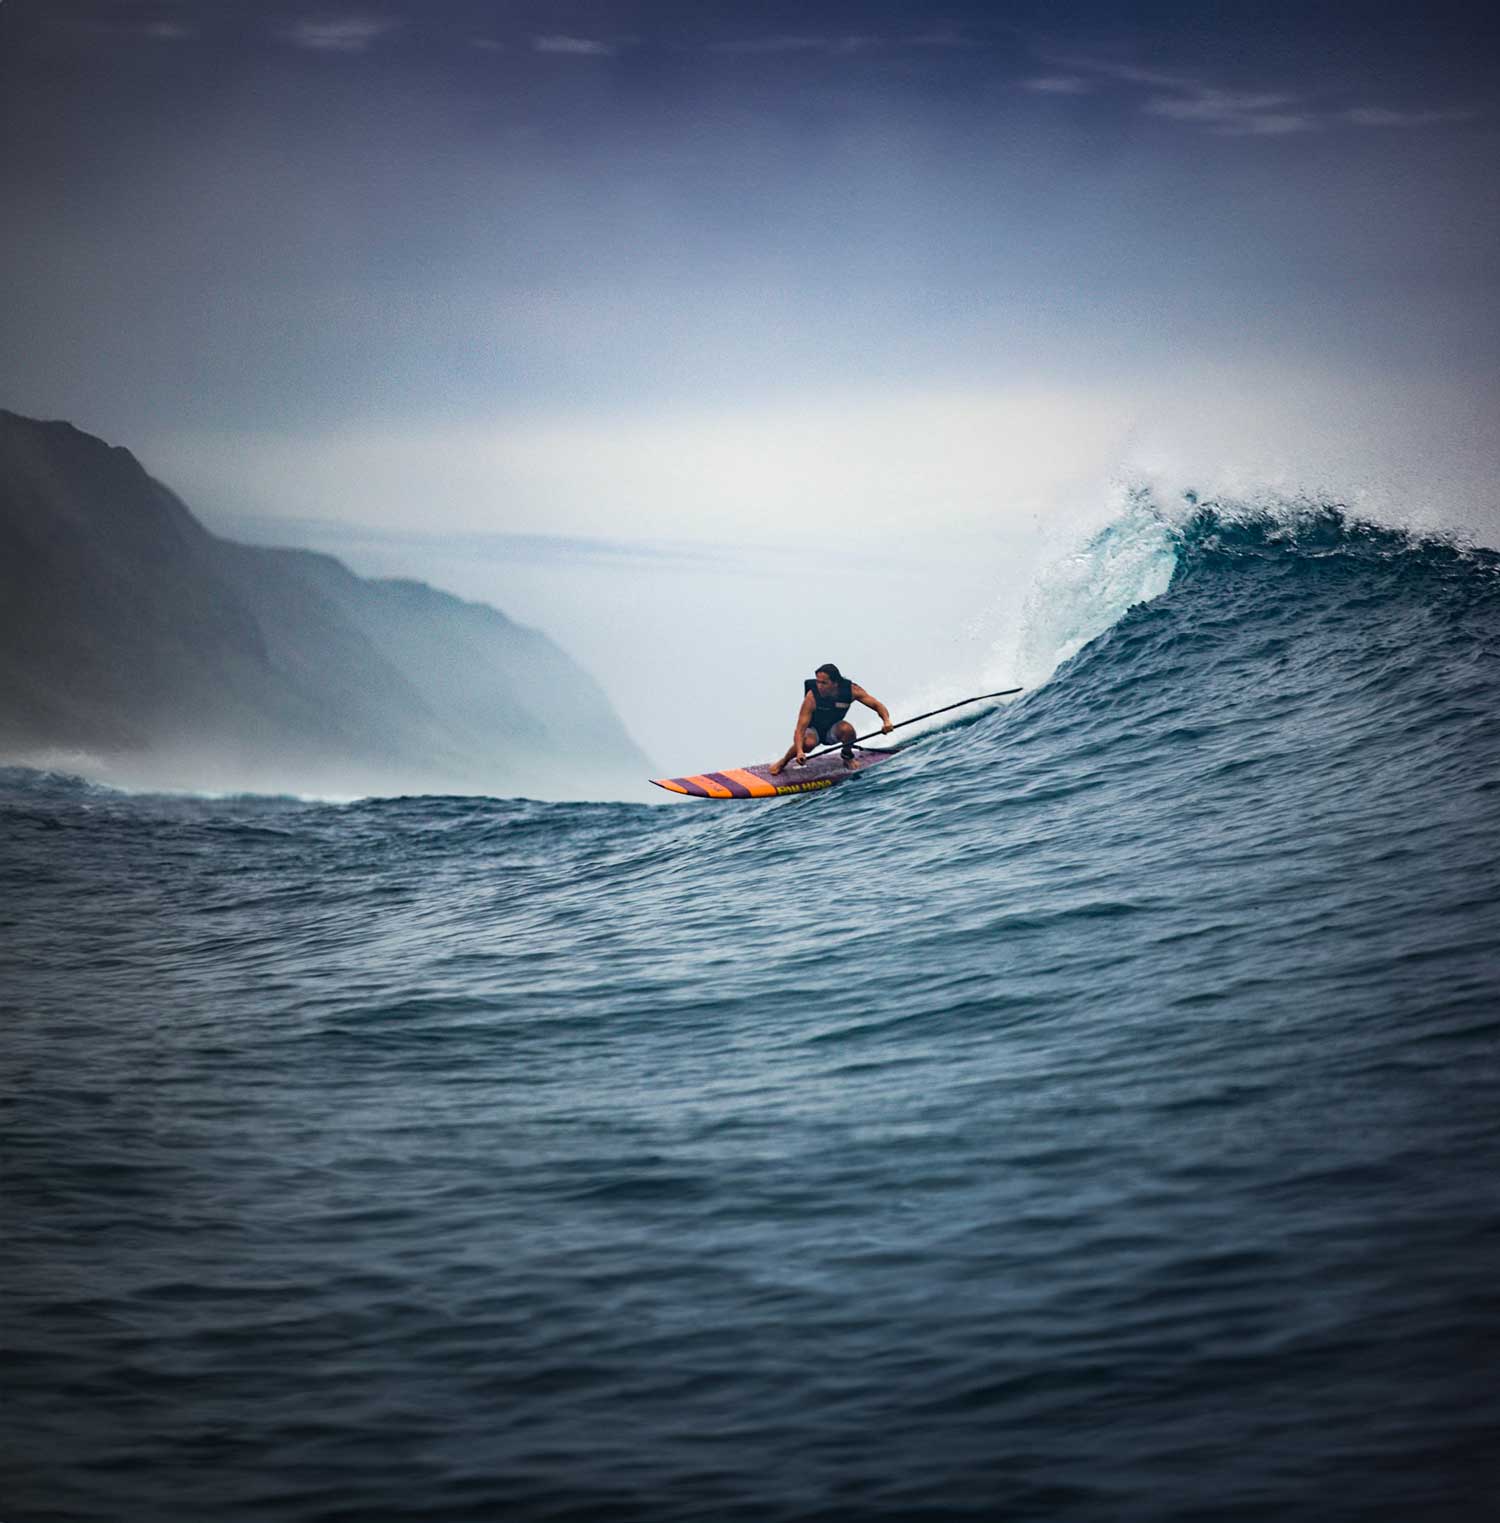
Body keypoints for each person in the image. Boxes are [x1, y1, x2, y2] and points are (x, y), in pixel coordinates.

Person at [769, 663, 892, 775]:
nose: (819, 686)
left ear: (835, 683)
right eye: (818, 682)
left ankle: (847, 756)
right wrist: (800, 751)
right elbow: (800, 729)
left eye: (824, 683)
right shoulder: (811, 697)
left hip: (833, 730)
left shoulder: (851, 690)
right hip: (813, 730)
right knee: (808, 743)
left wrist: (886, 721)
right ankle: (783, 762)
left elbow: (877, 705)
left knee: (847, 729)